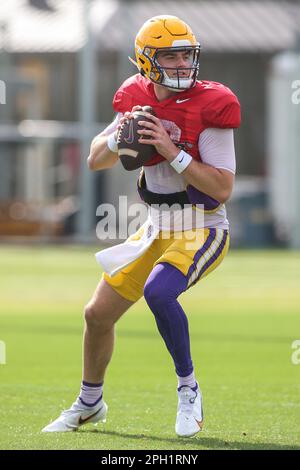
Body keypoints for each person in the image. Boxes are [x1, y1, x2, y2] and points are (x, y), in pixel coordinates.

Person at [42, 15, 240, 438]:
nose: (183, 63)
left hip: (203, 225)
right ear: (146, 62)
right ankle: (90, 403)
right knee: (97, 314)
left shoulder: (213, 103)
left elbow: (222, 188)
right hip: (156, 225)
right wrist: (118, 137)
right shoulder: (137, 97)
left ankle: (189, 389)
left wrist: (170, 150)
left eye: (187, 53)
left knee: (158, 291)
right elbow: (97, 158)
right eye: (171, 55)